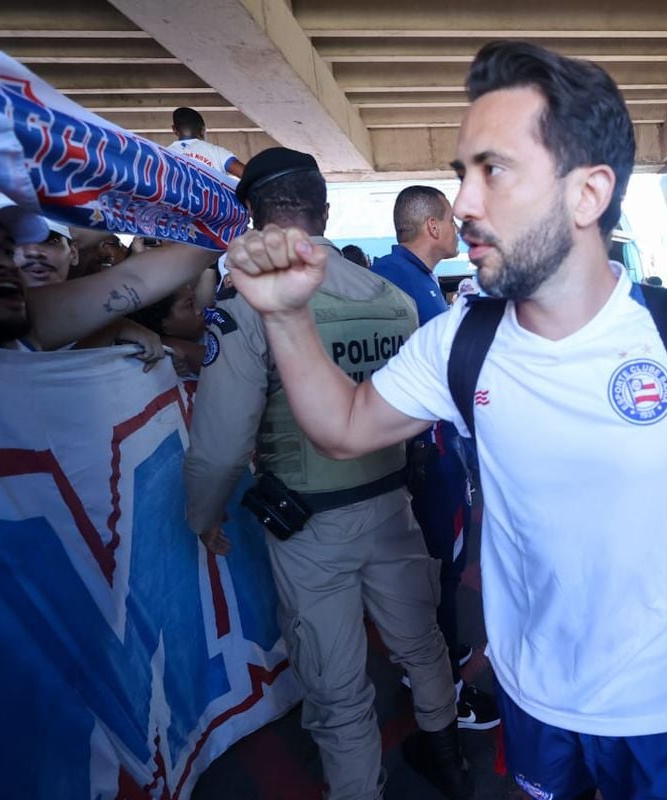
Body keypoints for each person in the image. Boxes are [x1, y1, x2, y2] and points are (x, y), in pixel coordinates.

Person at [222, 42, 667, 800]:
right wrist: (287, 318)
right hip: (533, 701)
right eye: (463, 177)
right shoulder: (463, 341)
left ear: (588, 195)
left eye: (497, 171)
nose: (466, 208)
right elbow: (346, 426)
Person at [182, 147, 471, 800]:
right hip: (394, 504)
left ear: (252, 217)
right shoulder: (392, 299)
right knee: (421, 643)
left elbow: (222, 445)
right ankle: (450, 762)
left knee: (337, 690)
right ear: (326, 209)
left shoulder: (249, 304)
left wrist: (201, 516)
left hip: (309, 525)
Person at [370, 185, 499, 731]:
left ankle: (433, 651)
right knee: (442, 568)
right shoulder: (408, 289)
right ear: (432, 228)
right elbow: (447, 377)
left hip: (414, 450)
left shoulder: (396, 276)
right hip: (428, 451)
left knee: (434, 567)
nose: (460, 225)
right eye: (451, 218)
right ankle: (443, 687)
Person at [0, 192, 214, 360]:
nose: (3, 263)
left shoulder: (20, 329)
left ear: (73, 253)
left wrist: (226, 231)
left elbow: (138, 280)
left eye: (7, 249)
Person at [165, 107, 246, 180]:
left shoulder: (164, 155)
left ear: (174, 129)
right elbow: (247, 175)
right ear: (202, 130)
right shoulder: (217, 152)